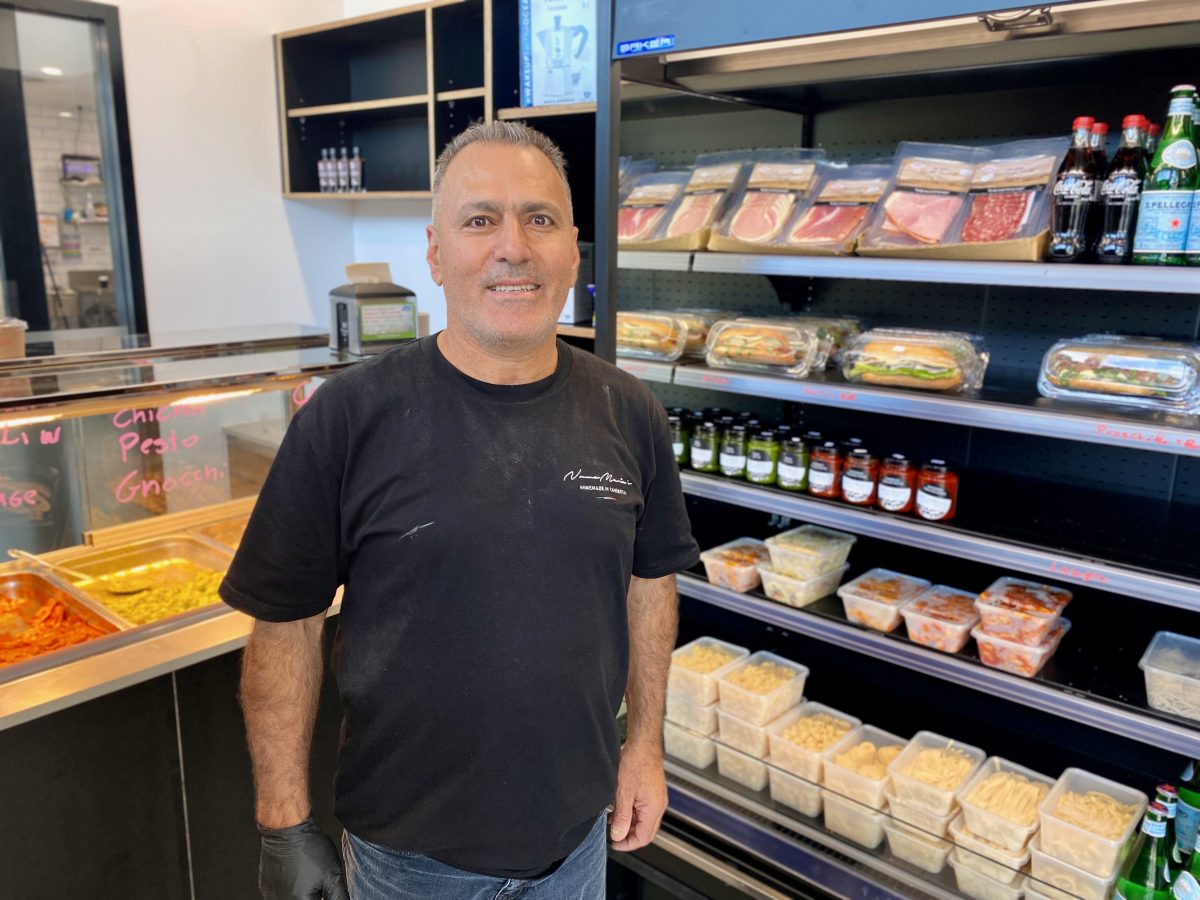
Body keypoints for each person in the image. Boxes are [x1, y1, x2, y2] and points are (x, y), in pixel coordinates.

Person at [220, 120, 699, 900]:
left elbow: (652, 582)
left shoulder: (628, 410)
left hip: (578, 838)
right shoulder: (350, 418)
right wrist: (284, 824)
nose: (513, 246)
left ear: (573, 249)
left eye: (539, 219)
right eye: (480, 220)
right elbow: (286, 621)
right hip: (410, 858)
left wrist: (643, 745)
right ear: (437, 254)